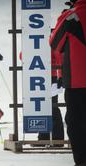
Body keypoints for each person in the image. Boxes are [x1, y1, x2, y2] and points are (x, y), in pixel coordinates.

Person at [50, 0, 86, 165]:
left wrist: (62, 17)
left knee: (75, 122)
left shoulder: (71, 17)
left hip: (77, 81)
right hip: (76, 81)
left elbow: (54, 42)